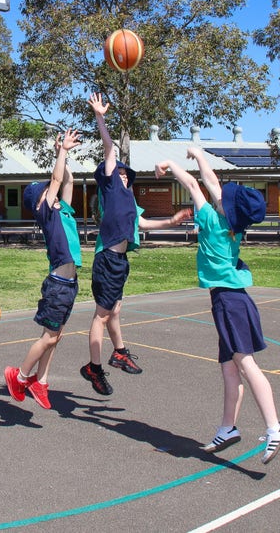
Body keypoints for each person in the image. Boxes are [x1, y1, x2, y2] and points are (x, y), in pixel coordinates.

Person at [155, 147, 280, 464]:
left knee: (245, 365)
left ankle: (275, 425)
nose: (219, 195)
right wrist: (198, 154)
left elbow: (193, 184)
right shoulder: (233, 225)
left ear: (226, 208)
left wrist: (174, 163)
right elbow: (209, 181)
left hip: (229, 302)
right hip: (232, 299)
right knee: (229, 368)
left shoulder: (211, 221)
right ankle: (228, 428)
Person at [80, 93, 192, 396]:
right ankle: (94, 367)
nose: (123, 175)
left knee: (114, 310)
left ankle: (119, 353)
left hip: (121, 262)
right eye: (118, 171)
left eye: (126, 174)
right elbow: (108, 147)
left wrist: (171, 221)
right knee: (102, 315)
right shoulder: (110, 187)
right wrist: (100, 116)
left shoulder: (129, 200)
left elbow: (142, 225)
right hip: (107, 259)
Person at [4, 128, 83, 409]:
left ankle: (41, 381)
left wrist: (61, 153)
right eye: (47, 191)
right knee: (50, 335)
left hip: (70, 284)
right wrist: (62, 151)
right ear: (40, 202)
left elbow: (67, 179)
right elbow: (57, 178)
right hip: (58, 285)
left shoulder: (64, 210)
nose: (54, 191)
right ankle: (20, 375)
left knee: (55, 336)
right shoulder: (47, 213)